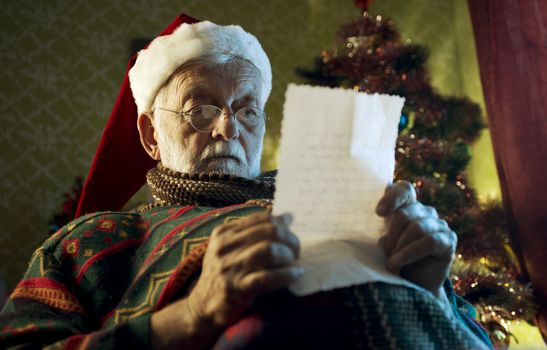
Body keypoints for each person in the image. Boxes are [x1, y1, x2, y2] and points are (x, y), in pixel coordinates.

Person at [0, 14, 493, 349]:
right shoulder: (89, 241)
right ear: (151, 134)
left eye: (247, 110)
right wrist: (193, 315)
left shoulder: (352, 205)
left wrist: (430, 287)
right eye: (202, 108)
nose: (227, 127)